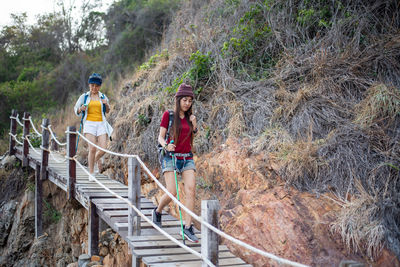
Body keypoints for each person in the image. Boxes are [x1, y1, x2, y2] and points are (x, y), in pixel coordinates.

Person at [153, 83, 199, 243]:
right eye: (184, 100)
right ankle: (158, 211)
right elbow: (160, 137)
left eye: (190, 101)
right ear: (178, 99)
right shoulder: (169, 115)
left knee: (191, 190)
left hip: (186, 157)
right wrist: (166, 145)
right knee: (172, 191)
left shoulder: (190, 117)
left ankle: (187, 227)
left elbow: (192, 135)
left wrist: (194, 125)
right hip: (170, 156)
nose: (187, 103)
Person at [74, 73, 113, 181]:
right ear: (89, 85)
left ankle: (93, 161)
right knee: (92, 148)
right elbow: (76, 110)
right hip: (89, 124)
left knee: (103, 148)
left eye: (96, 86)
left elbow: (108, 111)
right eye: (92, 85)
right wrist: (80, 109)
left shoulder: (103, 97)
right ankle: (91, 173)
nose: (94, 88)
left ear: (99, 86)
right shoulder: (84, 97)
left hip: (101, 123)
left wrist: (106, 105)